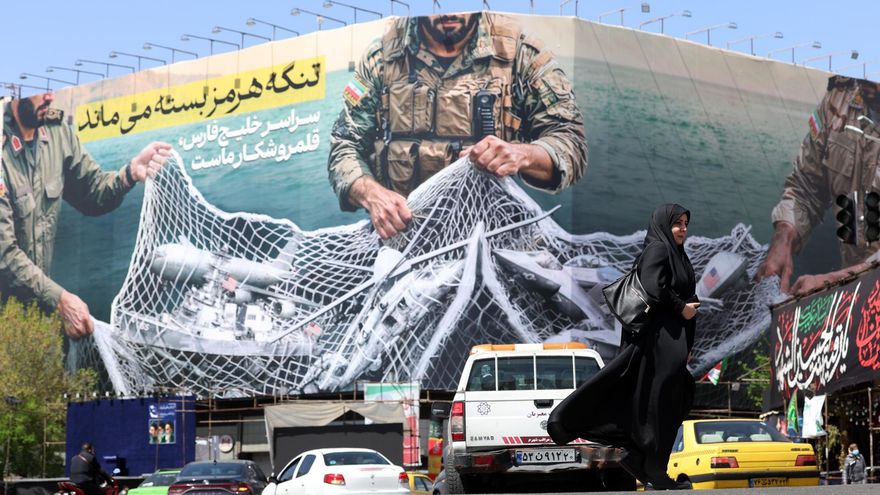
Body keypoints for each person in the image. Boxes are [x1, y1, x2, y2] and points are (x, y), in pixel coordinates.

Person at [328, 12, 587, 240]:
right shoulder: (380, 58)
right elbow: (345, 144)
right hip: (403, 239)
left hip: (496, 236)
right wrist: (370, 193)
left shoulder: (522, 55)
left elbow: (570, 140)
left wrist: (523, 154)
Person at [548, 204, 699, 491]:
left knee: (666, 401)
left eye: (685, 224)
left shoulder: (678, 253)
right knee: (661, 403)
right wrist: (681, 308)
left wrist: (687, 340)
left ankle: (643, 459)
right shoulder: (658, 249)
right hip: (658, 341)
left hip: (672, 341)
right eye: (677, 224)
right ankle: (652, 466)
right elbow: (654, 288)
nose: (682, 229)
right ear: (664, 225)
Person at [1, 92, 172, 337]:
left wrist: (130, 173)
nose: (50, 97)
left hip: (39, 319)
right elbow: (4, 253)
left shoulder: (57, 133)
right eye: (41, 89)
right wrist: (60, 300)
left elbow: (92, 193)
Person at [757, 75, 880, 295]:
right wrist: (784, 235)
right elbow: (806, 186)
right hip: (849, 298)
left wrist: (837, 280)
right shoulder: (840, 99)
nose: (866, 77)